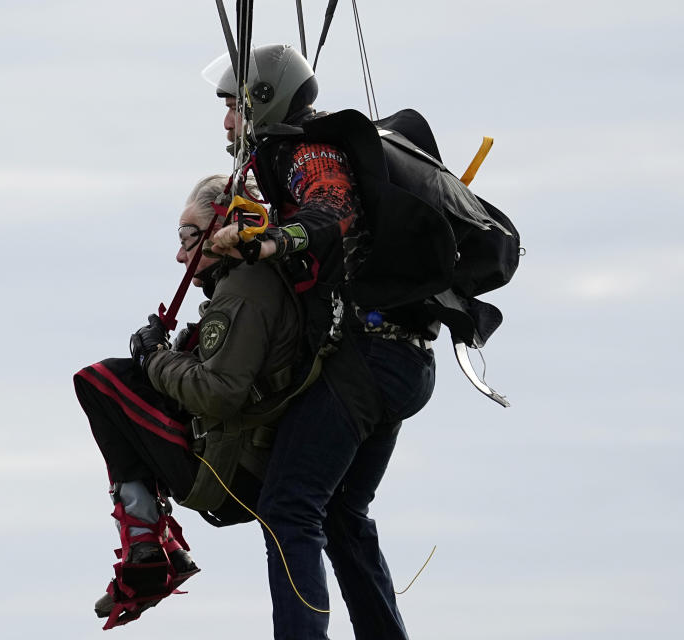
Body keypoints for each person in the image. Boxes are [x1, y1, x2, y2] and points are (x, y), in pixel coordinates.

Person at [203, 44, 439, 639]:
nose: (227, 121)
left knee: (288, 508)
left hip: (371, 355)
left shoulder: (306, 152)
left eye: (233, 106)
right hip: (401, 358)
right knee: (339, 512)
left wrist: (267, 244)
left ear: (262, 102)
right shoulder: (288, 158)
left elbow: (331, 209)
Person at [73, 173, 303, 629]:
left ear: (223, 229)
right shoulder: (251, 284)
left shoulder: (242, 294)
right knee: (120, 379)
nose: (180, 254)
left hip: (226, 474)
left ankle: (147, 547)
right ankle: (154, 548)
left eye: (188, 237)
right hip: (245, 465)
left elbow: (217, 394)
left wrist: (155, 357)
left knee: (99, 381)